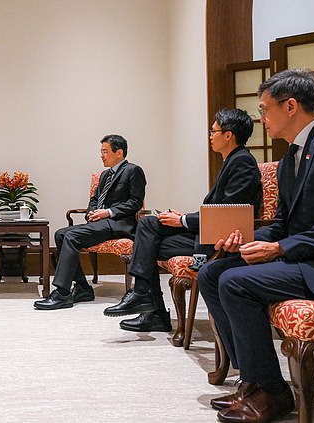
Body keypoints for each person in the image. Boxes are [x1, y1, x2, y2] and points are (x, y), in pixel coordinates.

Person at [198, 69, 314, 423]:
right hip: (301, 254)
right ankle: (251, 378)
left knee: (235, 283)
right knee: (213, 272)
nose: (261, 118)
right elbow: (281, 225)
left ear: (291, 106)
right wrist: (247, 240)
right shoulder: (288, 162)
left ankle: (273, 391)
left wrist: (279, 249)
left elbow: (291, 236)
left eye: (265, 110)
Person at [103, 108, 263, 332]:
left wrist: (183, 220)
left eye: (213, 131)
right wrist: (181, 218)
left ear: (228, 135)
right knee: (149, 225)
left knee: (146, 243)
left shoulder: (242, 163)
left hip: (220, 240)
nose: (210, 135)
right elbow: (217, 208)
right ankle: (145, 300)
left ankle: (150, 306)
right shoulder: (232, 161)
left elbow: (228, 213)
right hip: (206, 231)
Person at [34, 134, 146, 310]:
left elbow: (135, 202)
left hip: (119, 224)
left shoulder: (133, 170)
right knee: (61, 234)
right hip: (100, 223)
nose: (101, 155)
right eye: (101, 151)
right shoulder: (104, 175)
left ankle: (62, 293)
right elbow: (95, 199)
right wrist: (91, 212)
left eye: (105, 151)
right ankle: (83, 288)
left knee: (71, 236)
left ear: (119, 152)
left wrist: (108, 212)